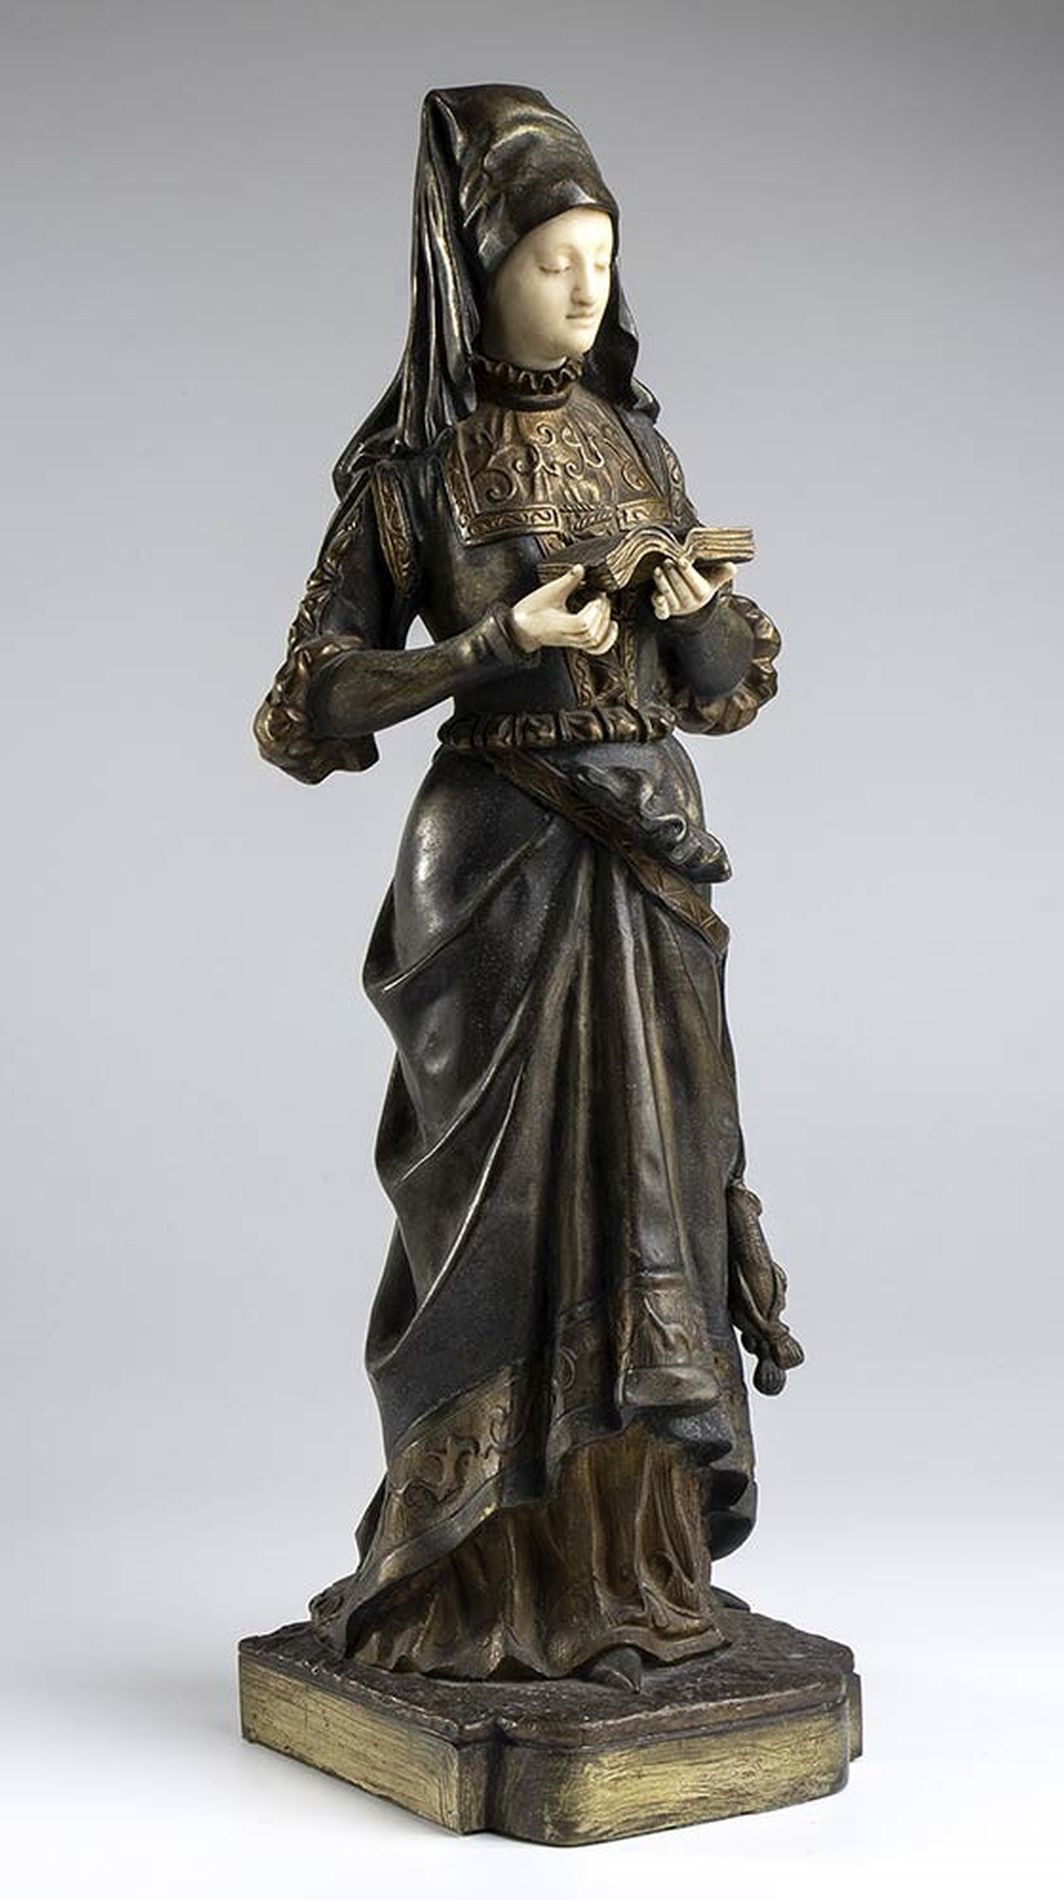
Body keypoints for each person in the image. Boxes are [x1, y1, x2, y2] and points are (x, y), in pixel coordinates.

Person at [254, 85, 802, 1690]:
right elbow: (306, 704)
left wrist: (689, 609)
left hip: (648, 872)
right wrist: (495, 644)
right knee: (499, 1227)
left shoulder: (638, 446)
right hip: (495, 871)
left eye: (601, 259)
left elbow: (725, 686)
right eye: (552, 258)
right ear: (474, 270)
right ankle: (478, 1579)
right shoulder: (413, 476)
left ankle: (638, 1573)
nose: (582, 287)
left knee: (660, 1193)